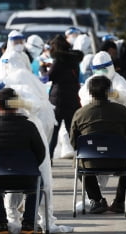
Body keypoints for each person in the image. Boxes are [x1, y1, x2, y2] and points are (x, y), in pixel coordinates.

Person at [0, 87, 45, 234]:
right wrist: (27, 167)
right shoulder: (29, 126)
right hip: (26, 178)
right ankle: (28, 224)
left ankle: (0, 225)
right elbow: (41, 153)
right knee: (38, 184)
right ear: (17, 105)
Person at [70, 75, 126, 214]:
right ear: (109, 91)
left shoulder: (80, 113)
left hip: (90, 161)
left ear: (89, 92)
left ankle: (96, 200)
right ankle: (120, 202)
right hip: (120, 160)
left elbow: (74, 143)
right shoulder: (122, 111)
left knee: (77, 162)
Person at [47, 34, 83, 162]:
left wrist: (43, 68)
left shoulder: (58, 60)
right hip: (73, 98)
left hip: (58, 99)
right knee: (72, 130)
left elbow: (49, 76)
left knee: (54, 130)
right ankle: (81, 156)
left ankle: (49, 157)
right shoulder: (74, 59)